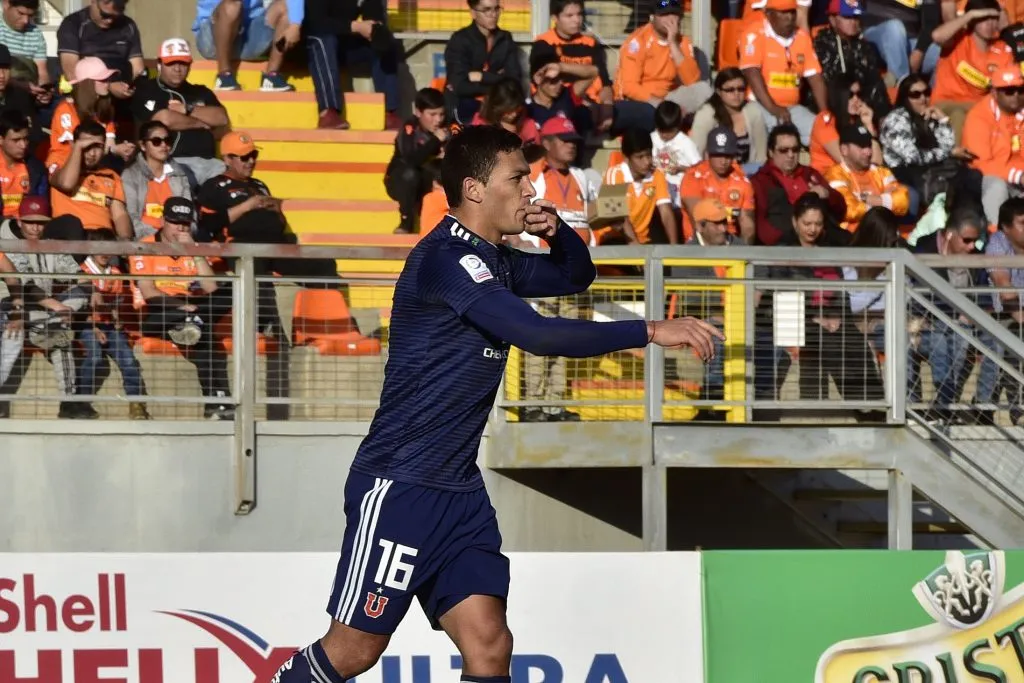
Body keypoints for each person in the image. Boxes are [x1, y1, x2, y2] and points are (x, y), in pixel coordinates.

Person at [267, 123, 722, 683]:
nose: (530, 190)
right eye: (518, 178)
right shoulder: (445, 259)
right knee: (355, 650)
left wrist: (556, 231)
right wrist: (649, 330)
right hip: (402, 483)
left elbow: (575, 277)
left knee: (489, 644)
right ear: (475, 189)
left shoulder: (496, 258)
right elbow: (542, 335)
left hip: (458, 489)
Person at [129, 197, 234, 420]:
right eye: (175, 222)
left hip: (193, 309)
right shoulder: (145, 246)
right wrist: (182, 306)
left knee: (228, 294)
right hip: (160, 310)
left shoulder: (192, 247)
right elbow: (148, 292)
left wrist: (194, 251)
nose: (180, 228)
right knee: (202, 329)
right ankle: (219, 400)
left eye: (185, 223)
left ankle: (214, 404)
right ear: (163, 221)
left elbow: (210, 287)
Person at [0, 195, 91, 418]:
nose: (35, 227)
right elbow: (25, 285)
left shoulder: (49, 244)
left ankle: (68, 403)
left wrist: (89, 290)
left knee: (62, 340)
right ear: (20, 221)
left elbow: (79, 274)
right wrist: (59, 308)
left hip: (43, 312)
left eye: (40, 222)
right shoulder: (7, 240)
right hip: (12, 308)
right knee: (13, 338)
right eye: (30, 221)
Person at [130, 38, 230, 188]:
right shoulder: (146, 89)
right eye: (171, 63)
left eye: (182, 63)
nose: (177, 68)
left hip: (210, 163)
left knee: (232, 189)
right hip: (172, 162)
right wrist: (201, 123)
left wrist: (187, 109)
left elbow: (221, 118)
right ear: (159, 64)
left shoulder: (201, 91)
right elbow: (164, 120)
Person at [78, 227, 149, 420]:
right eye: (100, 247)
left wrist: (117, 323)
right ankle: (81, 402)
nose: (104, 253)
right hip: (87, 325)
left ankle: (136, 404)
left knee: (129, 360)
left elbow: (116, 305)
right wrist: (94, 327)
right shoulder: (81, 271)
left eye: (109, 248)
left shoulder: (115, 273)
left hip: (109, 326)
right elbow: (78, 309)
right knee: (94, 357)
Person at [739, 0, 828, 146]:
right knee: (780, 139)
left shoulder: (802, 37)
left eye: (792, 12)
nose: (790, 17)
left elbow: (815, 78)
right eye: (783, 12)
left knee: (824, 132)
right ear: (768, 13)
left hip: (793, 108)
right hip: (760, 106)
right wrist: (774, 109)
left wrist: (825, 113)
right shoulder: (754, 34)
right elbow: (752, 74)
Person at [613, 0, 711, 132]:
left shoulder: (683, 42)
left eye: (674, 14)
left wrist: (673, 43)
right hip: (641, 101)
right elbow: (629, 87)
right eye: (664, 15)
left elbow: (692, 81)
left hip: (669, 98)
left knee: (704, 91)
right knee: (650, 114)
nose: (670, 19)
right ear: (652, 17)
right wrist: (660, 104)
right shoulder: (637, 42)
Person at [303, 0, 401, 130]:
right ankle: (328, 112)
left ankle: (389, 112)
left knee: (384, 40)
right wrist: (357, 27)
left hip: (341, 41)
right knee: (324, 40)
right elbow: (316, 23)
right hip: (308, 43)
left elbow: (374, 14)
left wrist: (376, 27)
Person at [750, 123, 847, 245]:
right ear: (771, 152)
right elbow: (762, 226)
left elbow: (841, 210)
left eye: (795, 150)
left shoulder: (810, 174)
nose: (790, 155)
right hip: (784, 247)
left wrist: (827, 194)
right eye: (783, 150)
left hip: (822, 241)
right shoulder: (761, 182)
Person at [529, 0, 613, 128]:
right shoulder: (544, 44)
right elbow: (542, 83)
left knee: (639, 112)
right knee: (580, 114)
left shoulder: (590, 43)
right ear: (554, 18)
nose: (577, 20)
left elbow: (605, 82)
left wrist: (607, 106)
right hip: (562, 102)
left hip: (594, 102)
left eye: (579, 14)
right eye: (569, 16)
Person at [193, 0, 303, 92]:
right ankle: (224, 75)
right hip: (213, 40)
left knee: (286, 6)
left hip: (248, 37)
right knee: (232, 5)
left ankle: (271, 76)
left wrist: (295, 24)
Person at [962, 65, 1024, 227]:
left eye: (1020, 90)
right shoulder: (979, 117)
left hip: (1020, 177)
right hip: (990, 178)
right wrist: (1017, 176)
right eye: (1009, 91)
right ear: (995, 93)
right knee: (996, 185)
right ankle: (998, 237)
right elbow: (981, 163)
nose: (1016, 96)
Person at [49, 119, 132, 238]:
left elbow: (119, 215)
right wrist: (78, 147)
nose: (92, 153)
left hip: (103, 241)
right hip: (70, 239)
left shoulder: (111, 175)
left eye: (97, 147)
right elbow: (67, 184)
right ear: (74, 144)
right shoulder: (59, 165)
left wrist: (126, 243)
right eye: (86, 146)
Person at [444, 0, 522, 124]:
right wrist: (499, 79)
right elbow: (460, 86)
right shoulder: (460, 40)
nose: (493, 14)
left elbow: (515, 81)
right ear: (473, 13)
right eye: (486, 10)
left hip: (497, 107)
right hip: (464, 108)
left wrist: (481, 76)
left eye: (496, 9)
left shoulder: (505, 39)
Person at [824, 124, 911, 233]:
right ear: (844, 149)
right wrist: (885, 202)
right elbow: (849, 210)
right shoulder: (835, 174)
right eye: (861, 147)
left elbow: (903, 201)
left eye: (869, 145)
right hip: (851, 239)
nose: (868, 152)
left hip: (884, 235)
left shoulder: (882, 172)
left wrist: (865, 199)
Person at [385, 87, 447, 235]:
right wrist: (435, 142)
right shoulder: (410, 129)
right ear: (419, 112)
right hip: (400, 182)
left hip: (427, 181)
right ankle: (406, 222)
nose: (438, 120)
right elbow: (410, 161)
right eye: (432, 114)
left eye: (441, 114)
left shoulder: (446, 129)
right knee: (410, 174)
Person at [679, 127, 756, 243]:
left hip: (729, 241)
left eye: (728, 155)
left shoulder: (742, 181)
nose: (723, 161)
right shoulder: (693, 177)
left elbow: (748, 225)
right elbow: (698, 220)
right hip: (698, 241)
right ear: (708, 154)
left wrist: (743, 254)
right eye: (718, 155)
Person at [602, 127, 677, 244]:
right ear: (627, 158)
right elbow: (620, 218)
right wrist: (638, 255)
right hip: (614, 239)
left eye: (648, 155)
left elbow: (666, 212)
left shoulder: (657, 175)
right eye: (640, 157)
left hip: (643, 242)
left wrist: (674, 248)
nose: (647, 162)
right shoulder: (614, 174)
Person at [122, 120, 194, 239]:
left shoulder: (180, 175)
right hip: (144, 240)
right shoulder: (130, 175)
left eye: (167, 140)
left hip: (178, 238)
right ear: (143, 145)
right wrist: (160, 236)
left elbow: (190, 215)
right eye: (156, 141)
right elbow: (132, 218)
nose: (164, 145)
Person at [56, 0, 144, 95]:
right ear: (93, 1)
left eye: (115, 16)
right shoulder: (73, 24)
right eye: (105, 15)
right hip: (87, 95)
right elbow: (71, 72)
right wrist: (108, 87)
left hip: (123, 89)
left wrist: (127, 88)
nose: (109, 20)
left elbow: (137, 68)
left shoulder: (128, 26)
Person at [689, 68, 767, 169]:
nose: (736, 94)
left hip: (747, 173)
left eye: (741, 89)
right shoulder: (706, 114)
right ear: (718, 91)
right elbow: (696, 152)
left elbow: (761, 155)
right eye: (730, 90)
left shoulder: (753, 111)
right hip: (713, 173)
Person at [809, 74, 881, 175]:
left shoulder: (859, 119)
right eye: (850, 95)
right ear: (839, 96)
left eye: (859, 94)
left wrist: (869, 124)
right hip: (827, 179)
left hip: (857, 178)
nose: (856, 100)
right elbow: (848, 163)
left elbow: (877, 164)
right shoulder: (825, 121)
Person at [651, 100, 700, 207]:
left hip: (679, 188)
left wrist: (681, 168)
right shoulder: (653, 138)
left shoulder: (685, 143)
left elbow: (700, 170)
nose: (664, 135)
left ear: (678, 126)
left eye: (669, 132)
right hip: (657, 186)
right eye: (661, 130)